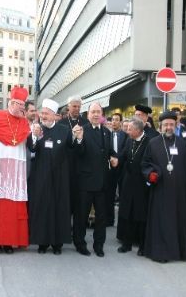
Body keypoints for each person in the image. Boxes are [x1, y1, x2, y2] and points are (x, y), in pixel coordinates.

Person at [0, 87, 31, 254]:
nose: (22, 109)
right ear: (12, 103)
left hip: (15, 171)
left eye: (23, 106)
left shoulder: (24, 122)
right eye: (20, 105)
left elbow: (28, 141)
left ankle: (9, 242)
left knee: (12, 207)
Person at [28, 99, 81, 255]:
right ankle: (42, 242)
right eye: (42, 113)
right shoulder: (37, 129)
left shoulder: (64, 130)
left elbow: (74, 148)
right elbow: (31, 148)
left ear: (54, 115)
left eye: (46, 113)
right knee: (42, 208)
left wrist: (78, 137)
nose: (42, 116)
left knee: (59, 209)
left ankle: (57, 243)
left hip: (60, 177)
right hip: (41, 176)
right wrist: (35, 136)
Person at [142, 110, 186, 263]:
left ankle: (179, 252)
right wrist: (151, 174)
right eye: (165, 125)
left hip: (179, 192)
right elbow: (145, 164)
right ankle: (161, 253)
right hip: (161, 190)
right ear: (160, 126)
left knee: (177, 222)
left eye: (171, 124)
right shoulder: (153, 143)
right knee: (161, 222)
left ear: (176, 125)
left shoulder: (182, 144)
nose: (169, 127)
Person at [73, 102, 118, 257]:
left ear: (102, 114)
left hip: (102, 182)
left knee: (101, 217)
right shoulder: (82, 131)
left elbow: (110, 151)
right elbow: (78, 153)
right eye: (93, 112)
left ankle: (99, 245)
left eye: (98, 112)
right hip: (85, 182)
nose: (96, 114)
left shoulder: (107, 132)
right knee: (81, 216)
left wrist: (114, 158)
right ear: (88, 115)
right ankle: (80, 244)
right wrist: (78, 139)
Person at [117, 118, 150, 256]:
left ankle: (143, 246)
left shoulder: (149, 142)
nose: (127, 131)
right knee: (127, 215)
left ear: (137, 130)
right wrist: (114, 159)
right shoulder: (129, 140)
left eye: (130, 129)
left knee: (141, 217)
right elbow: (123, 155)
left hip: (142, 186)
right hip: (128, 183)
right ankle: (127, 244)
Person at [57, 96, 88, 216]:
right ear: (68, 106)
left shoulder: (85, 123)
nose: (77, 109)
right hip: (66, 165)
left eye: (79, 106)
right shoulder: (61, 123)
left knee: (79, 200)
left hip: (81, 165)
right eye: (74, 106)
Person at [106, 113, 127, 226]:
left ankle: (123, 222)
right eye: (113, 119)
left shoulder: (125, 135)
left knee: (123, 194)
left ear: (120, 122)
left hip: (122, 168)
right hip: (110, 169)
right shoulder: (106, 134)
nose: (114, 122)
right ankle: (109, 219)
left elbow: (125, 150)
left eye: (116, 120)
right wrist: (111, 159)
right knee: (109, 195)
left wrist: (117, 159)